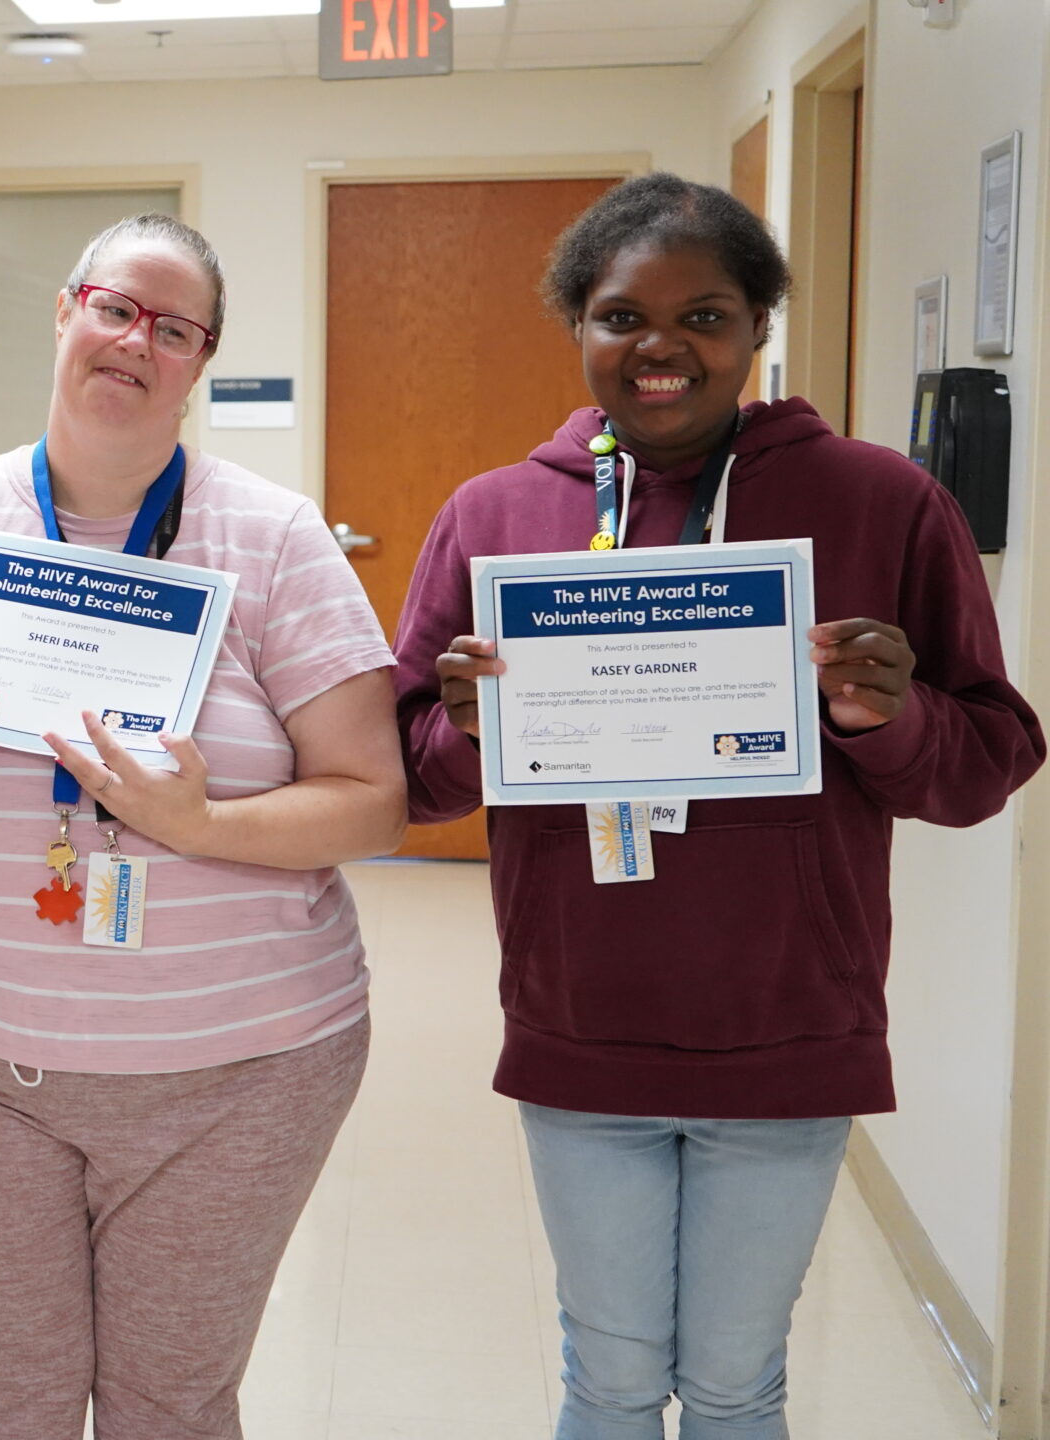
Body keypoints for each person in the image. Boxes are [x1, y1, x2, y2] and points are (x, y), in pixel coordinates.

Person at [393, 172, 1045, 1440]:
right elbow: (407, 773)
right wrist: (471, 730)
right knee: (610, 1380)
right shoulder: (496, 515)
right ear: (576, 327)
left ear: (756, 330)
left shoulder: (882, 503)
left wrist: (888, 717)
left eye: (703, 316)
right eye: (620, 315)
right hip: (584, 1020)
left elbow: (987, 761)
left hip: (789, 1025)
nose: (660, 348)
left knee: (742, 1384)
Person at [0, 213, 407, 1439]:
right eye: (116, 308)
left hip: (241, 1077)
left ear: (200, 361)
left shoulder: (276, 539)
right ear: (67, 313)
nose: (136, 340)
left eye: (173, 328)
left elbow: (371, 799)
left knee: (171, 1408)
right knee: (1, 1405)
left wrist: (200, 823)